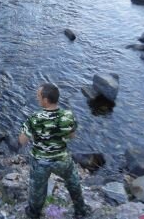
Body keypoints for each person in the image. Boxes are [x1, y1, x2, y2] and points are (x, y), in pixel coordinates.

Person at [18, 83, 91, 219]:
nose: (37, 98)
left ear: (45, 100)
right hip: (62, 159)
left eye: (38, 96)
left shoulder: (35, 118)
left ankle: (34, 213)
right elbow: (72, 135)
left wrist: (34, 134)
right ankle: (81, 211)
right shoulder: (68, 116)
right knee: (73, 182)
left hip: (40, 162)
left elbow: (22, 141)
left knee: (37, 190)